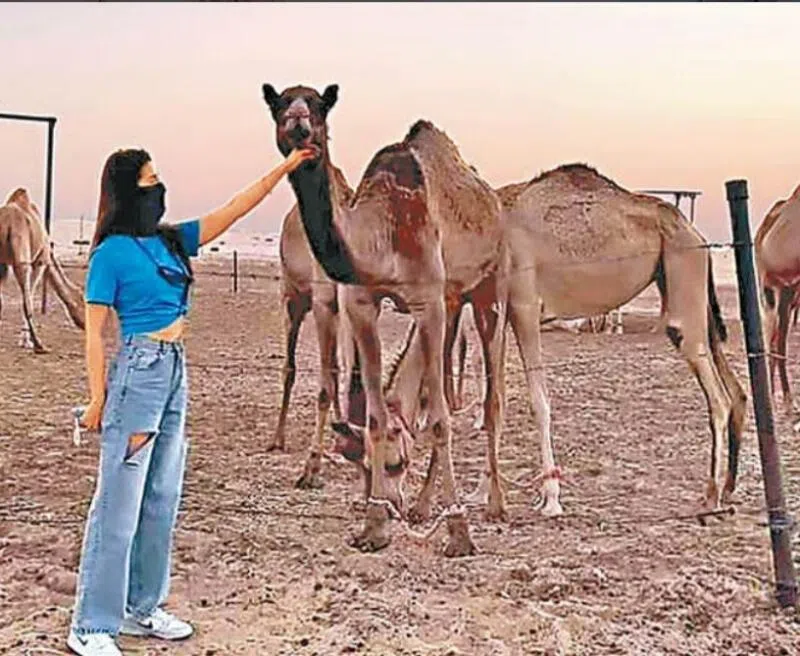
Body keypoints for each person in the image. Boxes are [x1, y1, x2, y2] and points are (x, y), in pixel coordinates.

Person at [67, 145, 316, 656]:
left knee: (161, 496)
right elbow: (94, 334)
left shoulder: (171, 241)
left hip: (175, 369)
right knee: (119, 502)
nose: (158, 188)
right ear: (126, 190)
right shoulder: (109, 254)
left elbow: (235, 207)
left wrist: (284, 169)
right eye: (149, 180)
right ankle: (91, 625)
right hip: (138, 371)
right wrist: (97, 398)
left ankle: (142, 608)